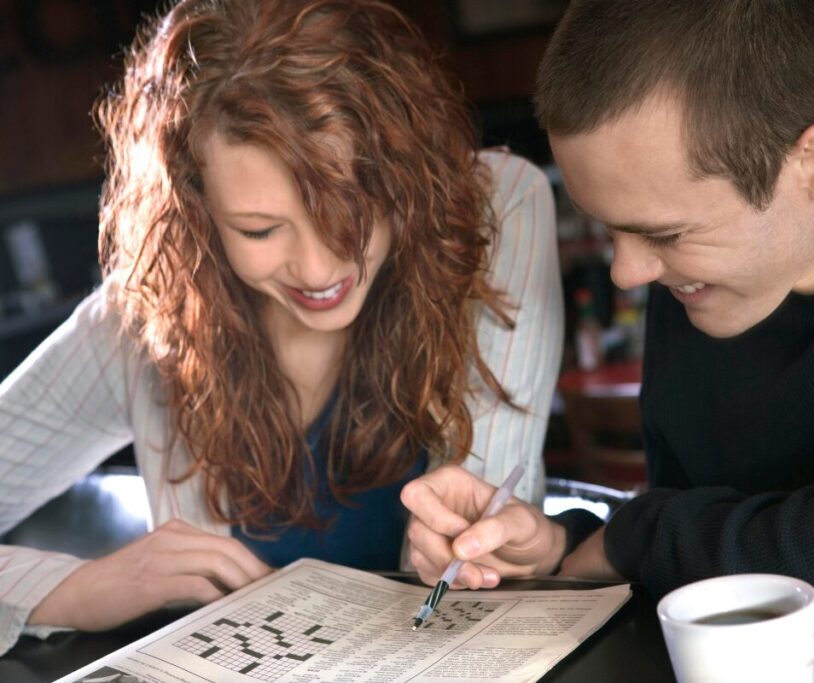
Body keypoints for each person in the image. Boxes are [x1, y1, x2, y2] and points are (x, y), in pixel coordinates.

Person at [401, 0, 814, 672]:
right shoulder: (708, 268)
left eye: (662, 233)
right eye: (610, 227)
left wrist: (637, 537)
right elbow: (704, 543)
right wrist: (562, 546)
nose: (629, 270)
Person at [0, 0, 562, 656]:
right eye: (260, 229)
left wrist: (494, 550)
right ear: (197, 209)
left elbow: (489, 526)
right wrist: (81, 589)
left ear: (403, 169)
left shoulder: (496, 211)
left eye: (351, 206)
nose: (321, 266)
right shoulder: (144, 315)